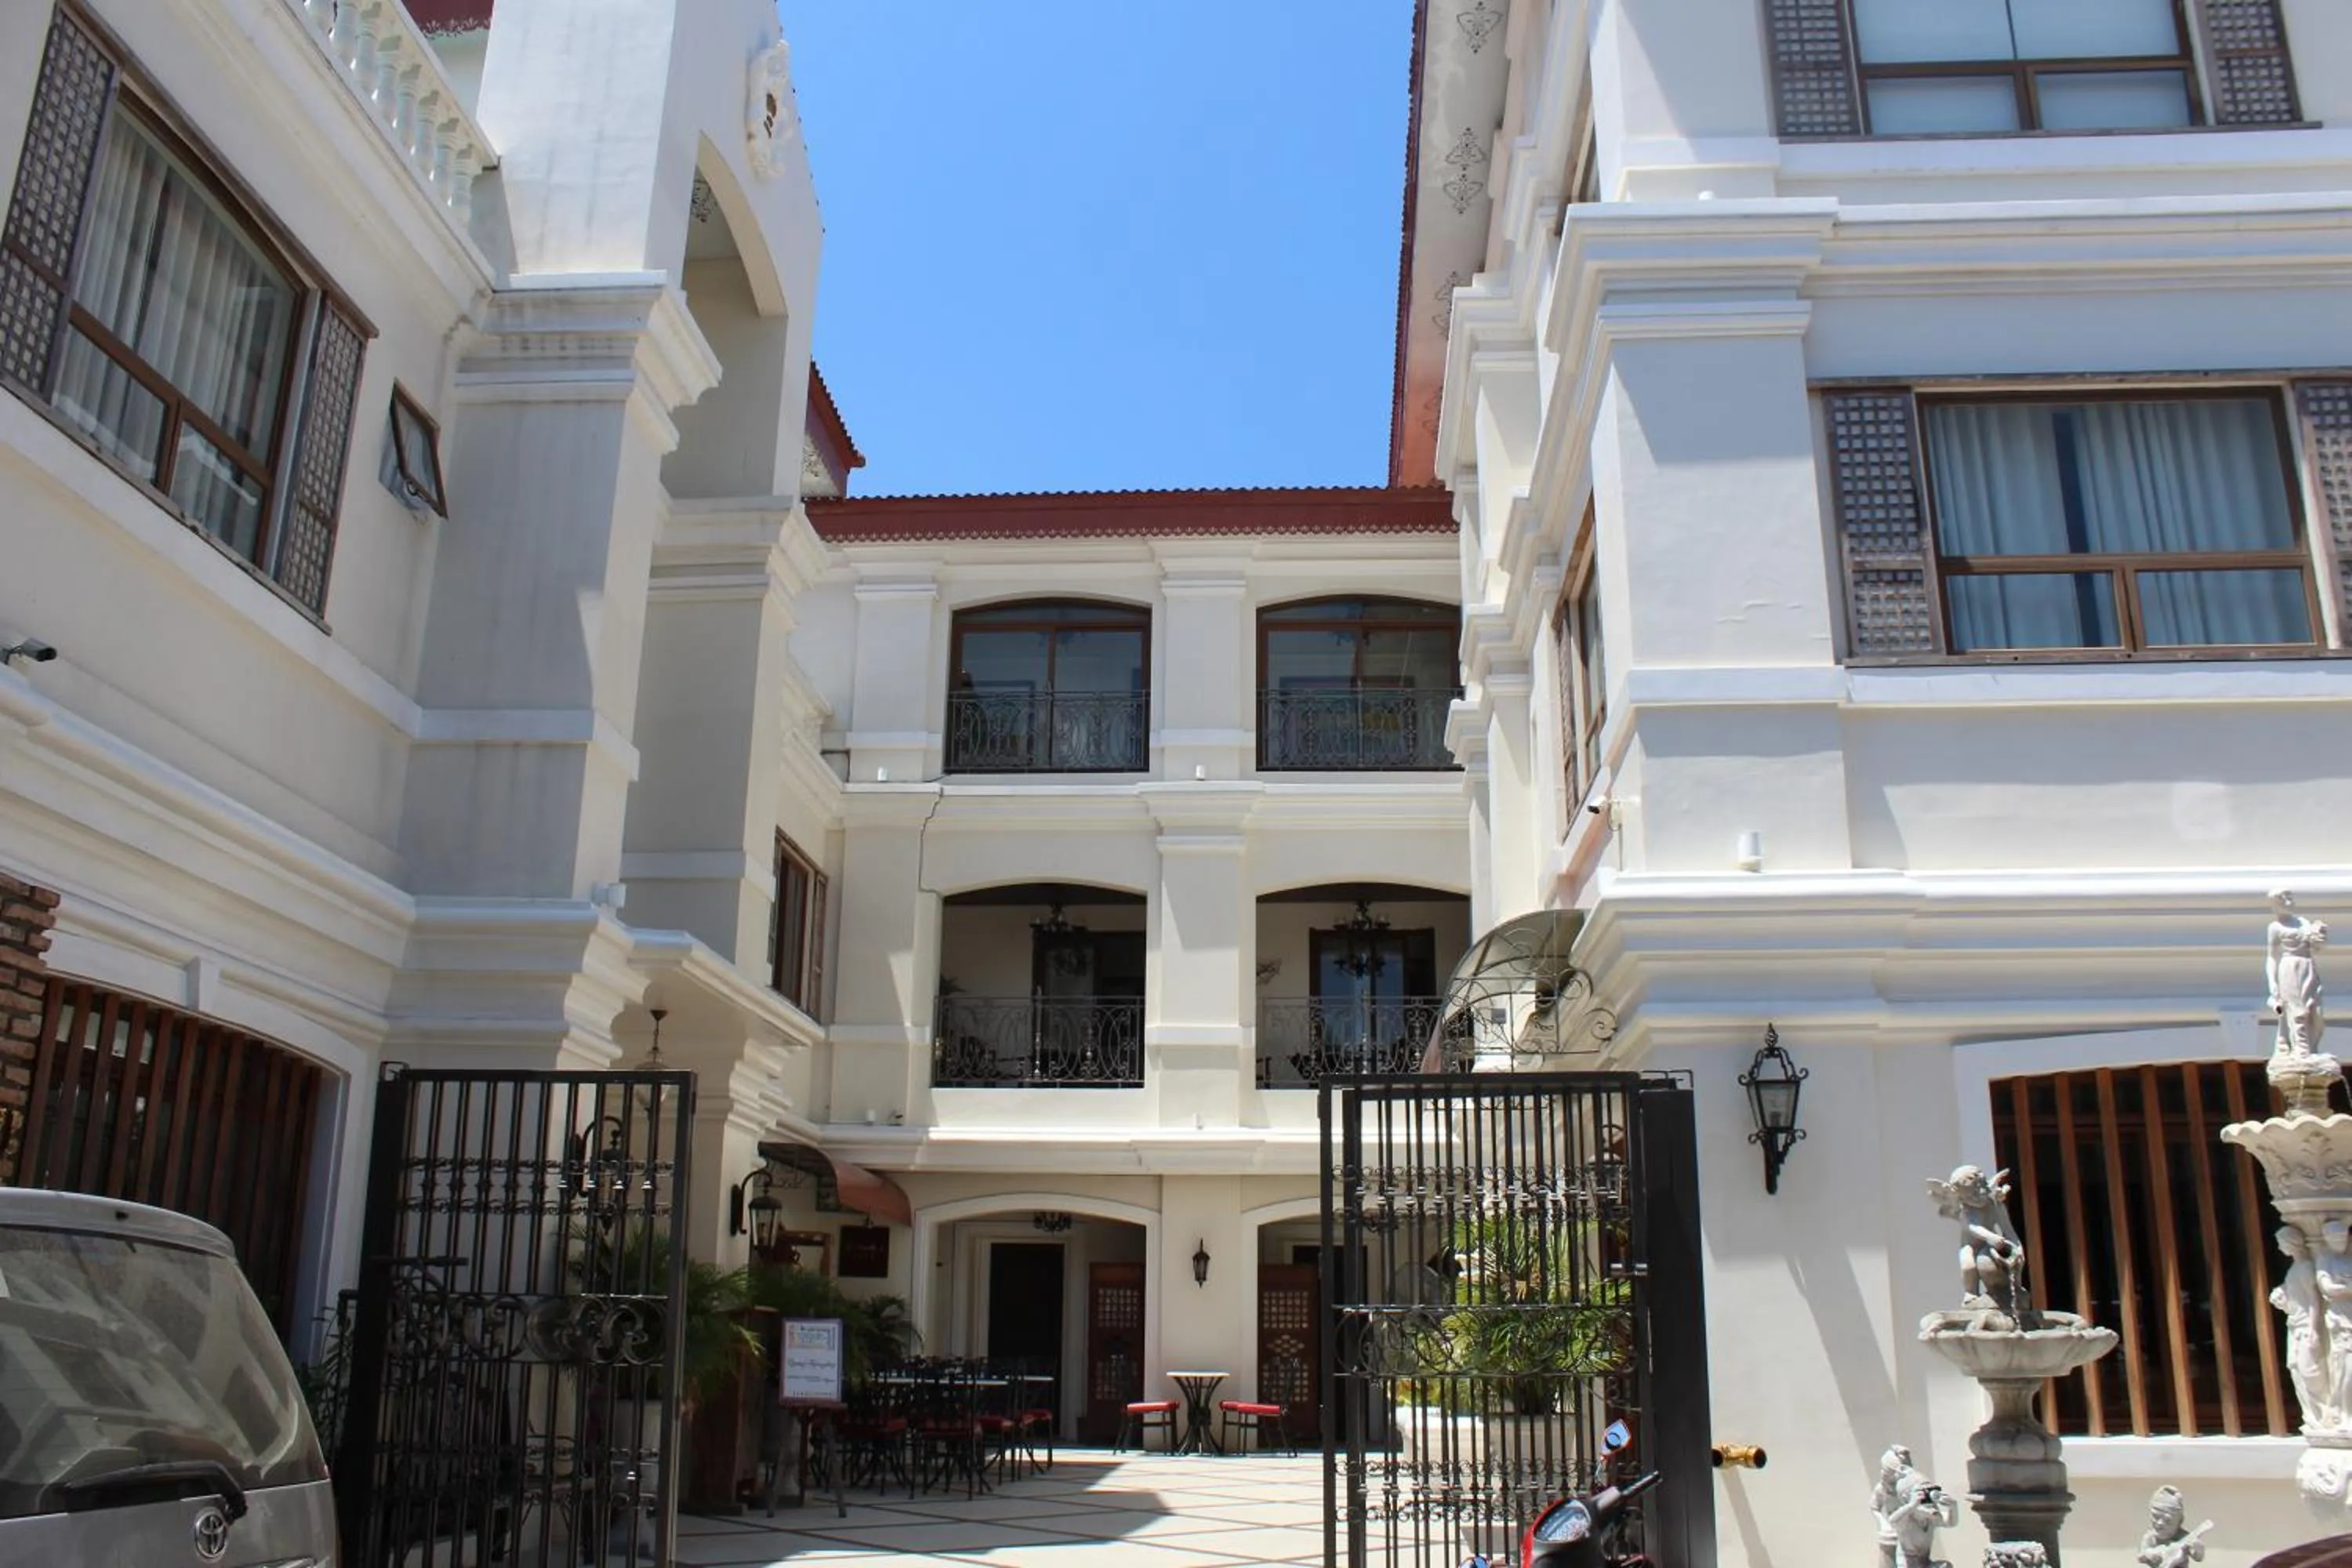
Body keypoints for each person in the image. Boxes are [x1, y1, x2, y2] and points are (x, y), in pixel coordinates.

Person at [2268, 888, 2329, 1059]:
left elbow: (2317, 947)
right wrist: (2273, 983)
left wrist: (2321, 936)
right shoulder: (2275, 927)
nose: (2289, 902)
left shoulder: (2304, 922)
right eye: (2283, 899)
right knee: (2297, 1010)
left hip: (2308, 966)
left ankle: (2312, 1047)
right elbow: (2272, 957)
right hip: (2290, 968)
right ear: (2276, 905)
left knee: (2317, 1014)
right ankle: (2301, 1051)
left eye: (2290, 897)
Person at [2135, 1485, 2209, 1568]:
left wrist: (2197, 1547)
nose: (2160, 1523)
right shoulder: (2150, 1537)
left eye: (2167, 1520)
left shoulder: (2184, 1536)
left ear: (2179, 1521)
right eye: (2156, 1517)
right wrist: (2151, 1554)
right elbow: (2141, 1557)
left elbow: (2198, 1558)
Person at [1871, 1445, 1918, 1568]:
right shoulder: (1881, 1489)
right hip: (1893, 1533)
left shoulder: (1910, 1488)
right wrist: (1883, 1524)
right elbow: (1874, 1507)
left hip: (1909, 1534)